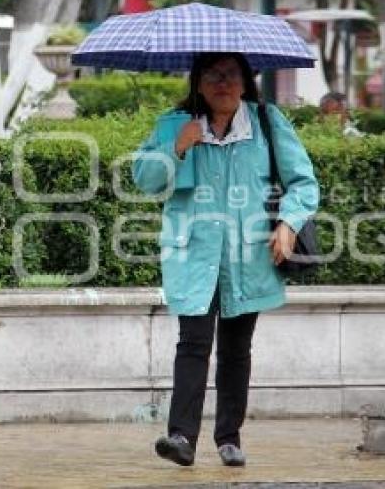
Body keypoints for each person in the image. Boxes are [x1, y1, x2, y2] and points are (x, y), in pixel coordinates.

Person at [132, 52, 319, 467]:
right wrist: (176, 147)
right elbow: (143, 180)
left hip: (249, 255)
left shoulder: (267, 123)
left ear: (244, 81)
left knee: (237, 349)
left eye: (231, 75)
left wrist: (288, 223)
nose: (222, 83)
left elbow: (303, 181)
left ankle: (229, 437)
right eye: (212, 75)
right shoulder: (173, 123)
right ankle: (181, 437)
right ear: (198, 82)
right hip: (193, 255)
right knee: (193, 343)